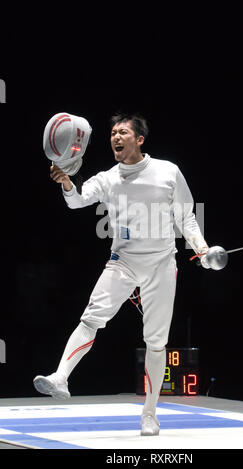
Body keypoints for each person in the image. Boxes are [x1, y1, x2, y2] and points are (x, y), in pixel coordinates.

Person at [33, 112, 209, 436]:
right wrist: (67, 183)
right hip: (123, 262)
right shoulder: (108, 178)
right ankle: (61, 376)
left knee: (156, 343)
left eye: (123, 132)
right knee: (91, 318)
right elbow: (77, 201)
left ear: (139, 139)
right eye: (113, 132)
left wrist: (203, 250)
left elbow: (187, 218)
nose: (115, 137)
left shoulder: (168, 172)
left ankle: (150, 415)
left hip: (161, 263)